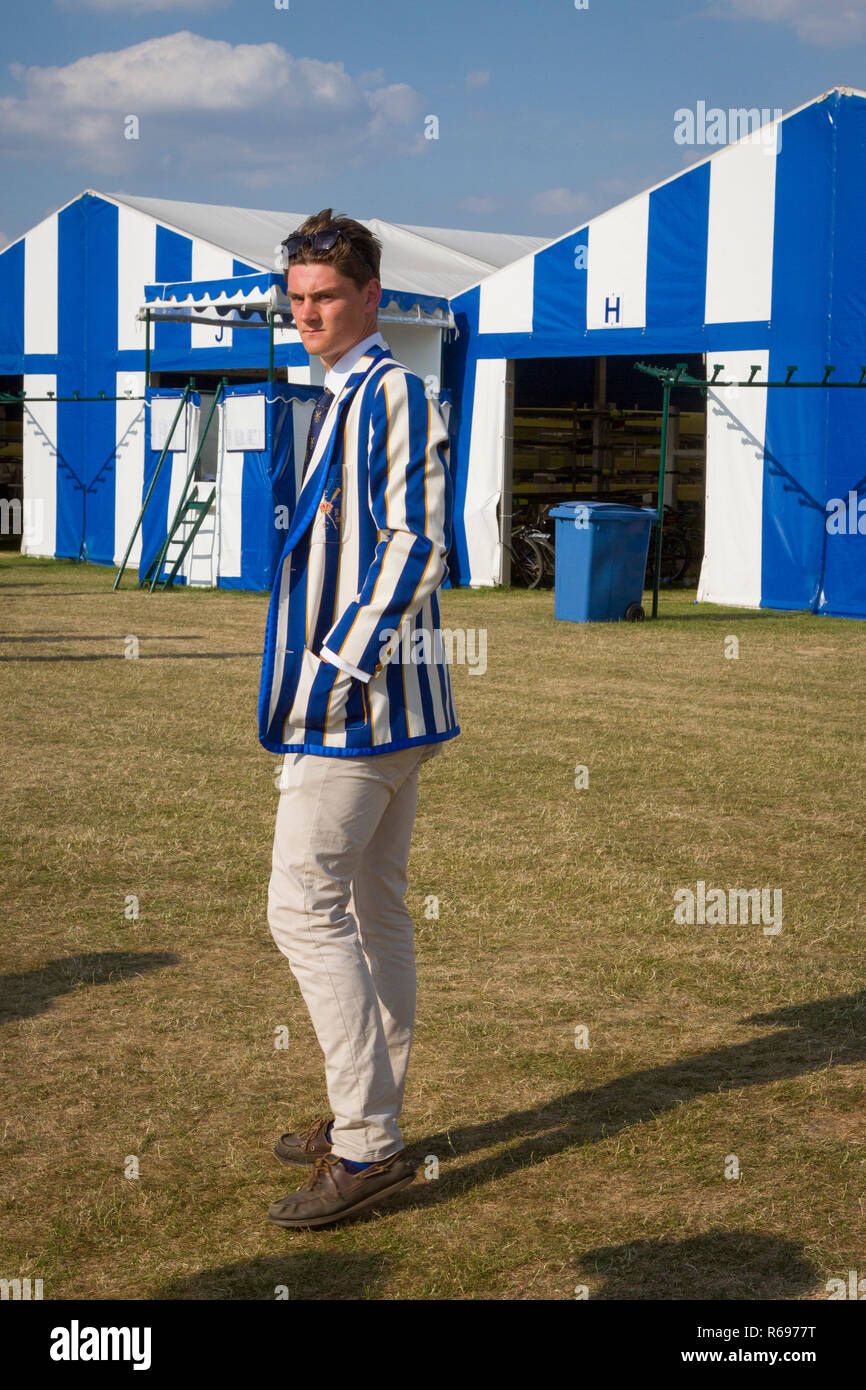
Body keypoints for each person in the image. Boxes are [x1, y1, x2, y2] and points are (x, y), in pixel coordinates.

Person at [258, 209, 460, 1228]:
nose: (307, 315)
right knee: (373, 906)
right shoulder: (341, 392)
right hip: (388, 703)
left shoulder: (393, 392)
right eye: (295, 300)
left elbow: (416, 545)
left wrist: (338, 662)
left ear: (371, 295)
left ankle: (367, 1140)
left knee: (300, 904)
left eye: (325, 297)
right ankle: (367, 1111)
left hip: (364, 706)